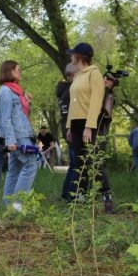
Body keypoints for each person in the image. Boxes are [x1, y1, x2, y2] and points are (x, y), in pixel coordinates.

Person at [65, 43, 114, 213]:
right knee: (79, 162)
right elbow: (72, 103)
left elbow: (96, 102)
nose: (70, 56)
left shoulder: (94, 73)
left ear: (79, 56)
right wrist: (69, 126)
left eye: (73, 54)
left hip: (89, 123)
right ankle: (81, 197)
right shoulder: (77, 76)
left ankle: (107, 198)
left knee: (94, 162)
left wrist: (89, 127)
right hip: (76, 123)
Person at [0, 60, 38, 211]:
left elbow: (21, 116)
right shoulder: (6, 91)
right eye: (17, 70)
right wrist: (11, 140)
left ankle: (8, 205)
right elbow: (5, 119)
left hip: (21, 133)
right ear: (9, 71)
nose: (20, 72)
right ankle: (18, 203)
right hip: (18, 136)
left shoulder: (16, 91)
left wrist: (27, 102)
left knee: (15, 168)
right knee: (31, 165)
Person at [58, 63, 79, 201]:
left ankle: (66, 193)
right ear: (74, 74)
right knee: (77, 163)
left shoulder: (63, 89)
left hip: (66, 127)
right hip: (71, 128)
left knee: (73, 163)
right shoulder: (71, 90)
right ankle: (73, 196)